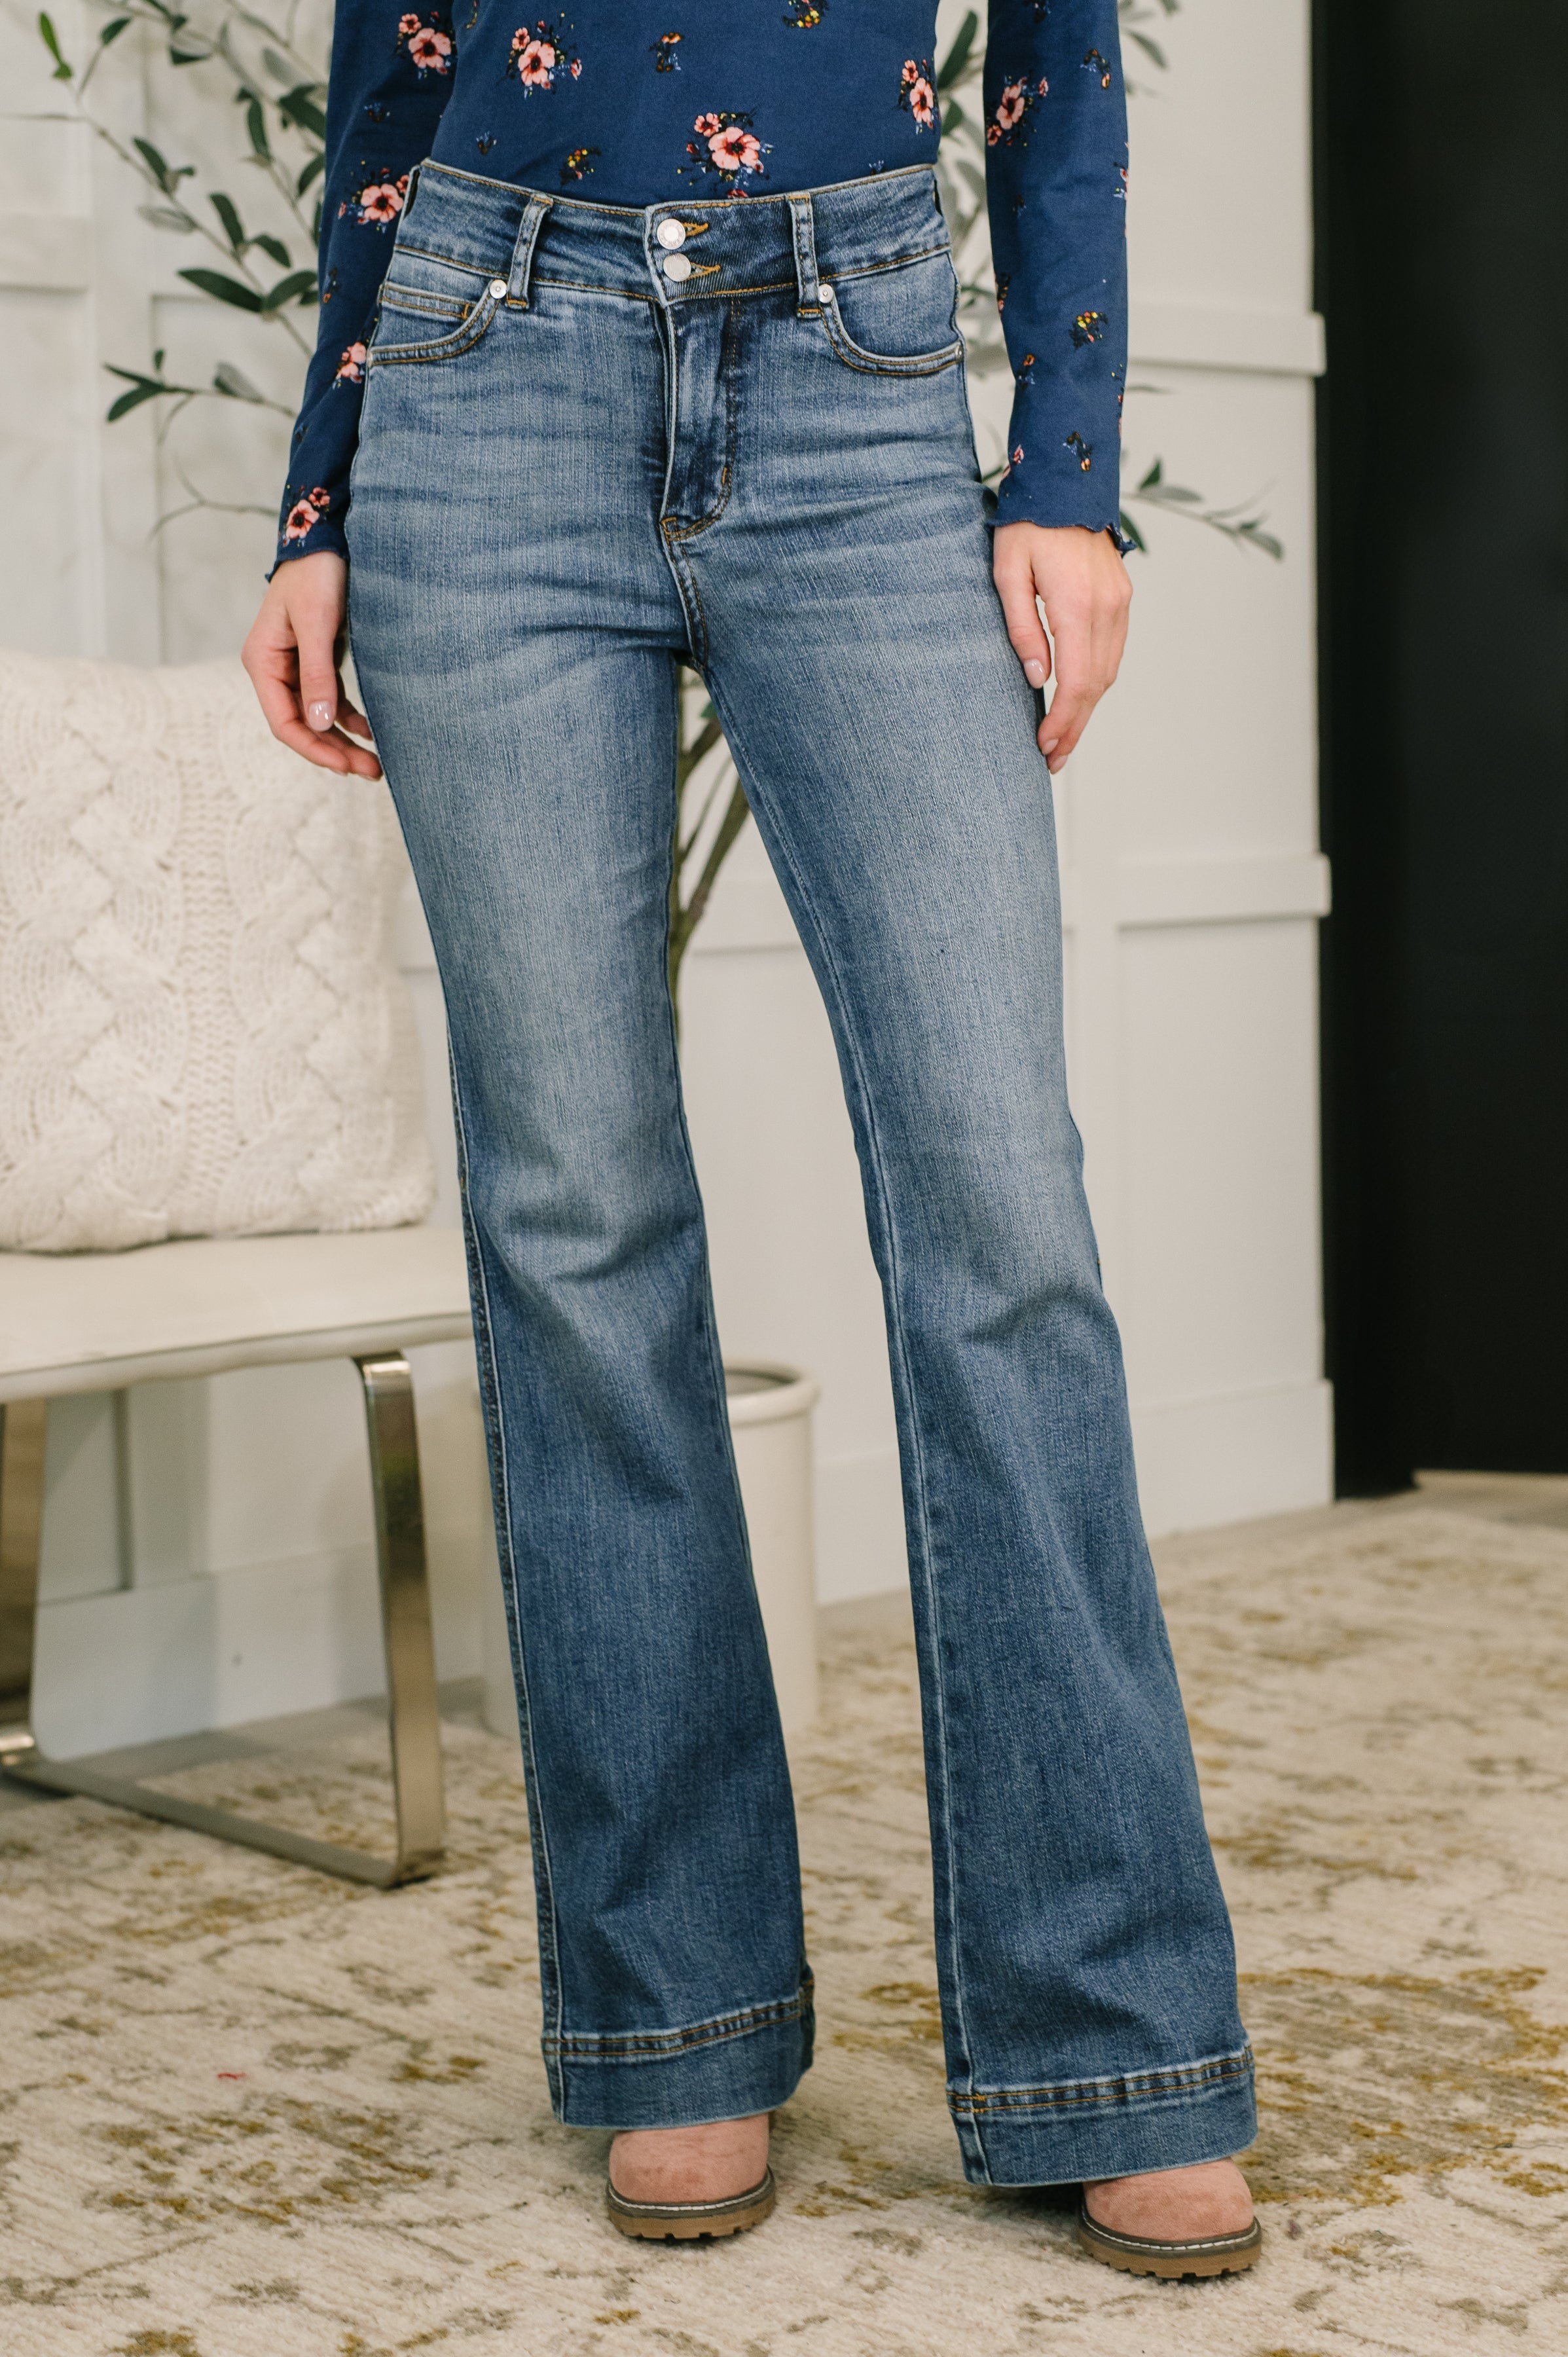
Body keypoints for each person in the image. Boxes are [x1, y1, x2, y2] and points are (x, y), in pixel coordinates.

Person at [243, 0, 1261, 2278]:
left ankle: (1109, 2040)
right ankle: (677, 2020)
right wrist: (319, 502)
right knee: (575, 1224)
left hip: (859, 362)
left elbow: (1060, 60)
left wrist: (1066, 474)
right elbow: (390, 91)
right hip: (479, 373)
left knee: (1001, 1211)